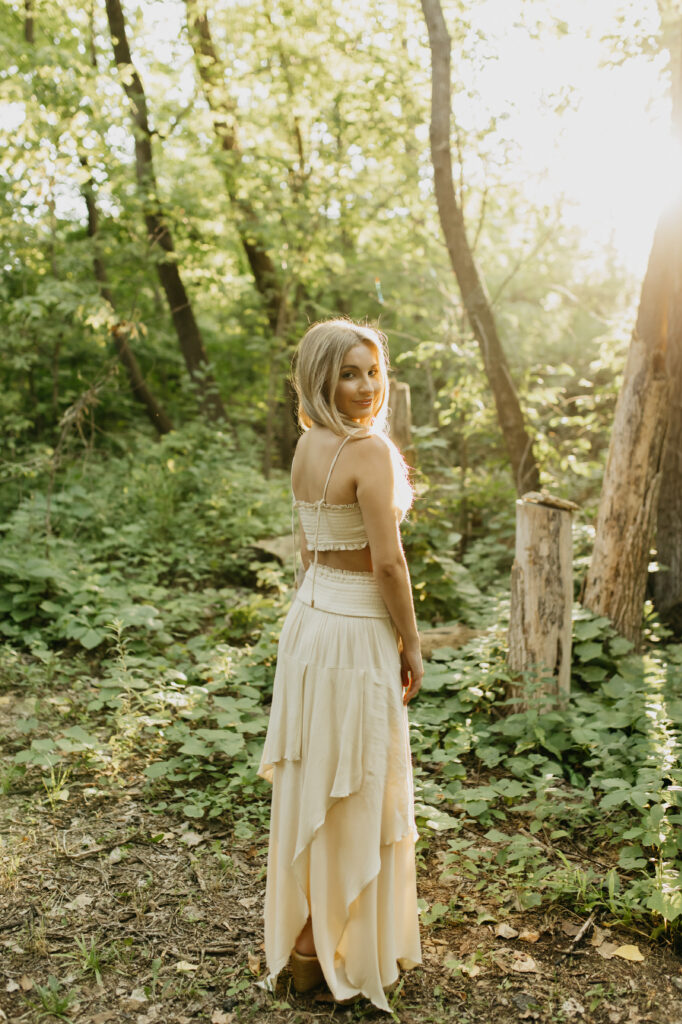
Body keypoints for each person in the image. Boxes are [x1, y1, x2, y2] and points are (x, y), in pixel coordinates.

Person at [258, 318, 423, 1012]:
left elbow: (306, 544)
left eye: (373, 371)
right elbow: (386, 563)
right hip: (353, 632)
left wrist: (319, 603)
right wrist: (411, 642)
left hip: (308, 624)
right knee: (356, 786)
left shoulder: (306, 444)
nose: (363, 387)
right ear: (319, 377)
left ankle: (307, 943)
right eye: (348, 373)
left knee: (317, 781)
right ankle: (315, 951)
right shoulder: (369, 452)